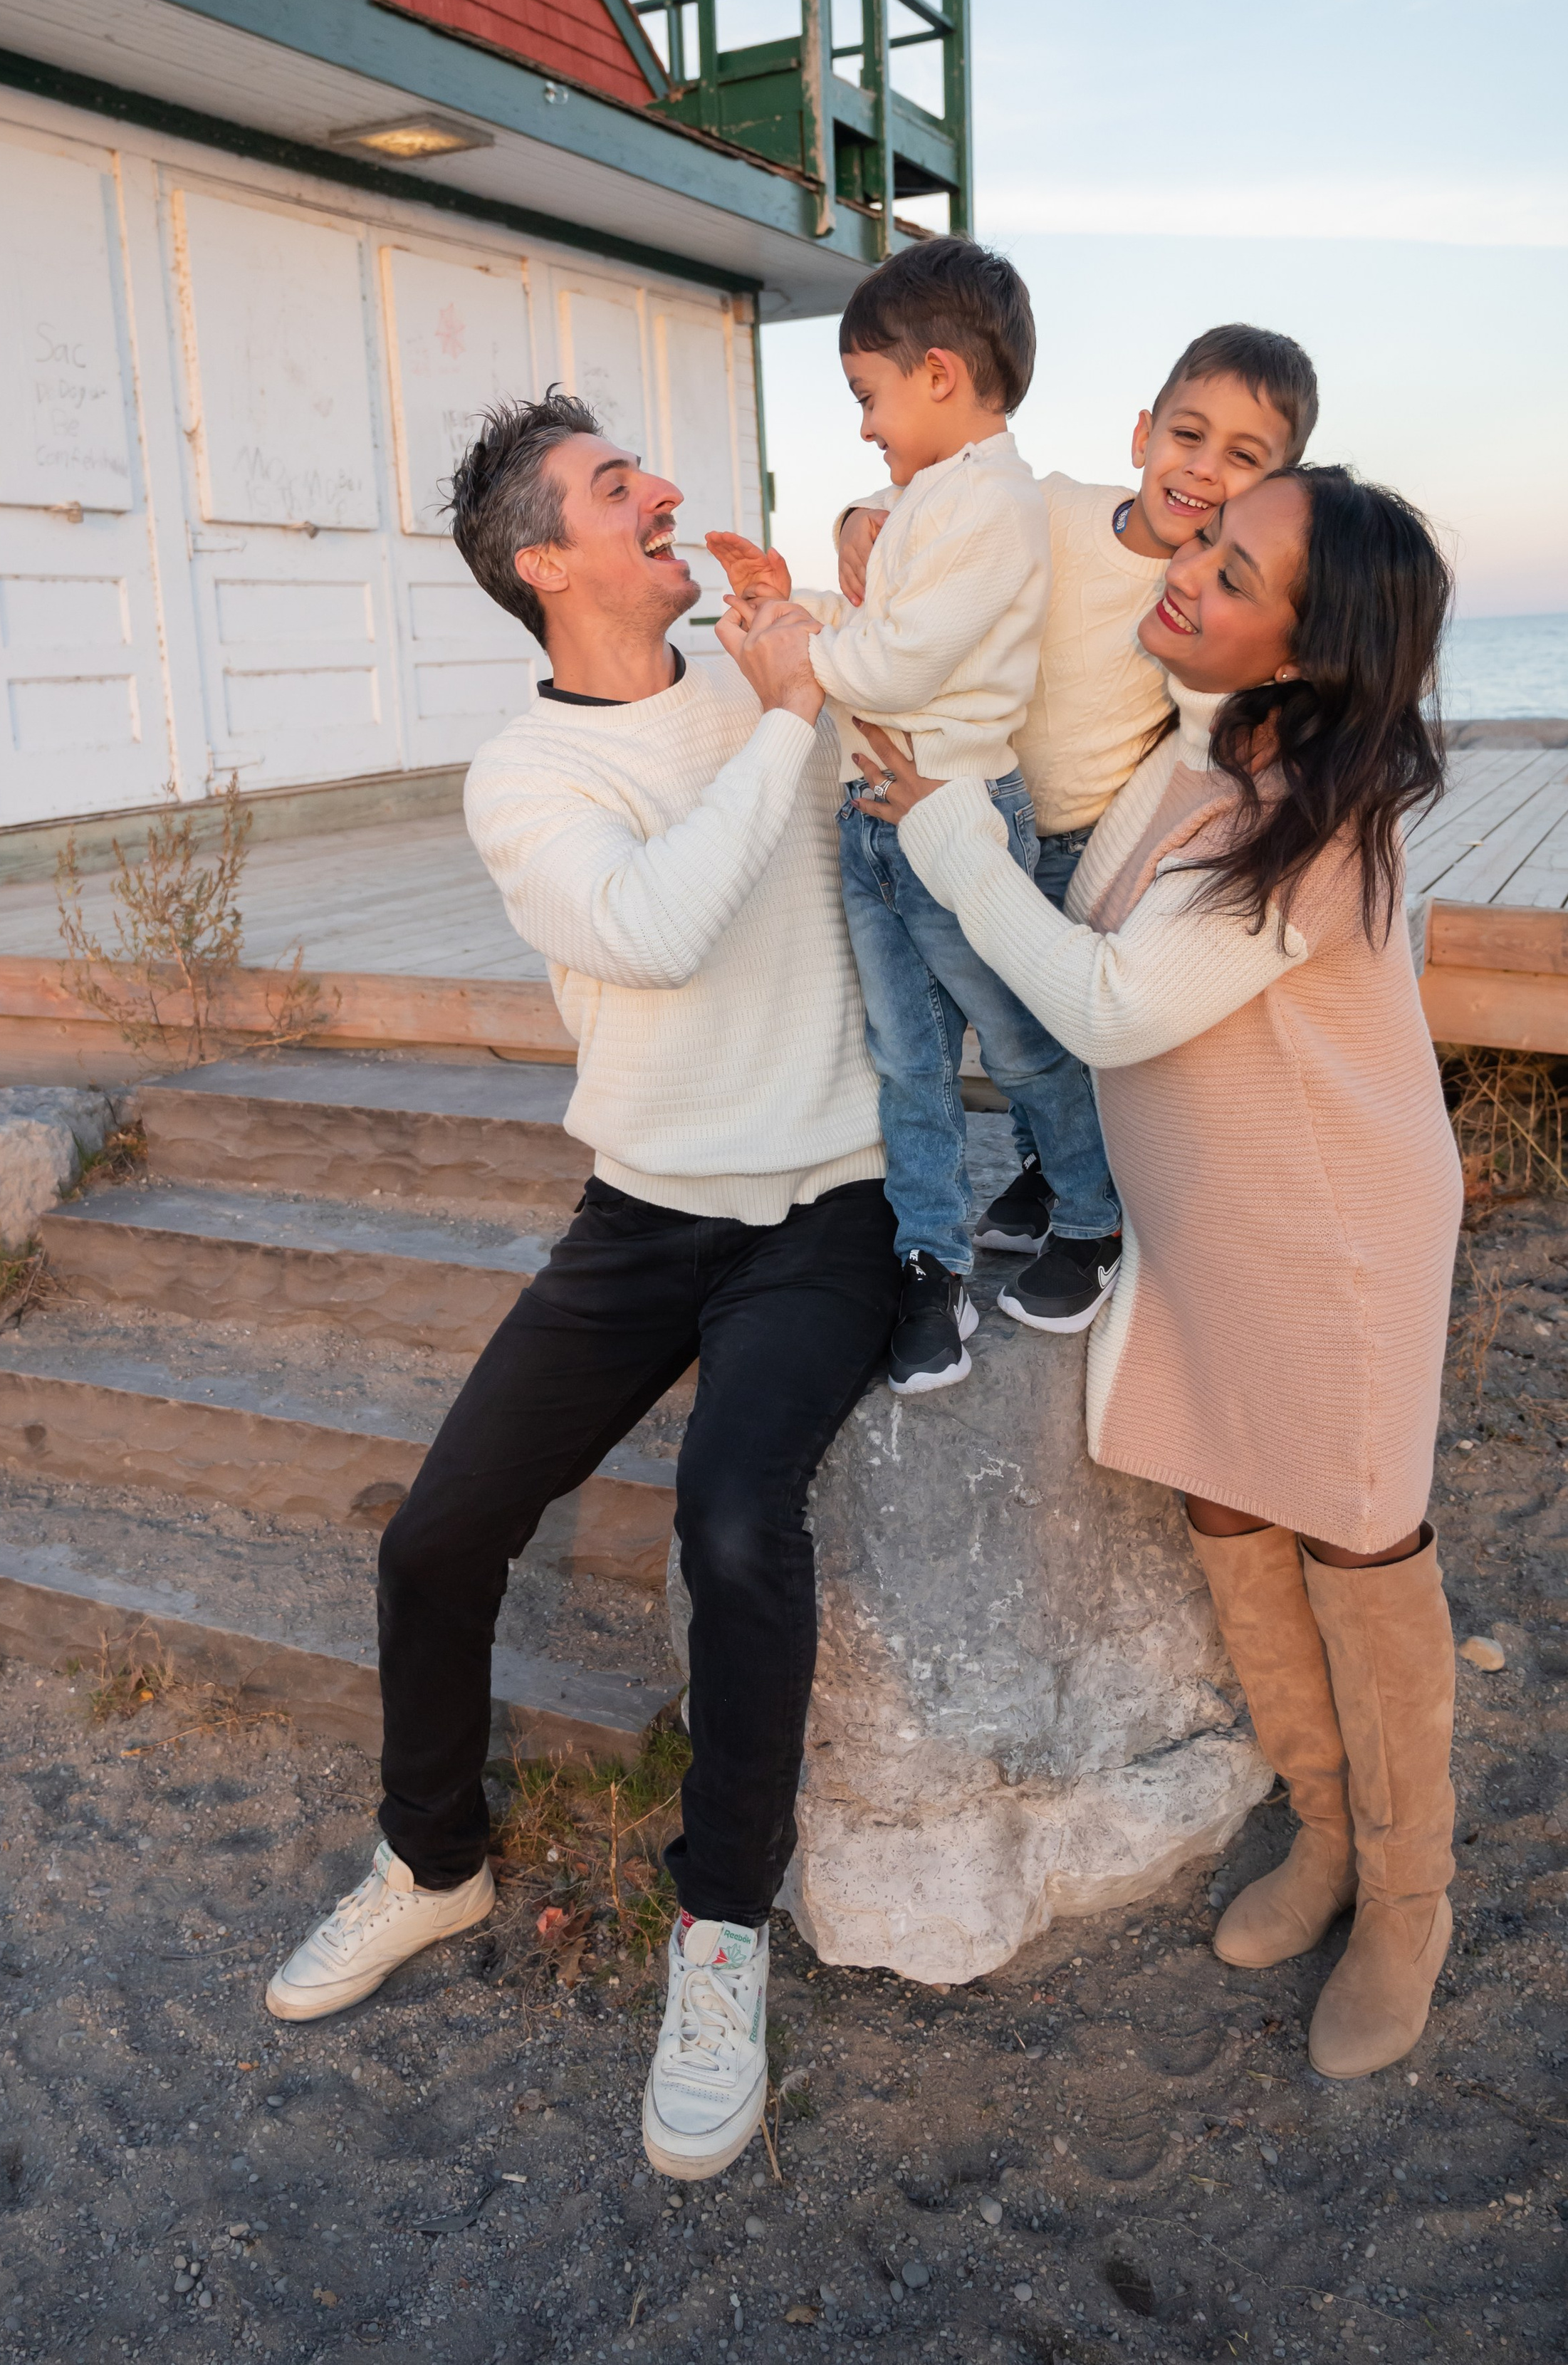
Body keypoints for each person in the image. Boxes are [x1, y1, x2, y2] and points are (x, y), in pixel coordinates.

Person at [264, 392, 899, 2183]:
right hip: (637, 1214)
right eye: (621, 487)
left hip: (817, 1203)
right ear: (545, 561)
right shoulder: (524, 776)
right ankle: (433, 1864)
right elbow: (648, 930)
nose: (669, 495)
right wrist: (784, 723)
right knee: (436, 1534)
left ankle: (717, 1935)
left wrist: (818, 674)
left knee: (732, 1521)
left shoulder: (773, 674)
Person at [840, 461, 1461, 2080]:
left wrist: (947, 838)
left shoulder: (1324, 832)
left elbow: (1107, 1002)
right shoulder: (1202, 755)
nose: (1182, 569)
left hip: (1328, 1240)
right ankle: (1319, 1831)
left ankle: (1406, 1897)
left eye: (1232, 569)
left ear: (1303, 652)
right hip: (1205, 1227)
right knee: (1223, 1506)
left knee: (1356, 1533)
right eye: (1205, 537)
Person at [706, 235, 1119, 1397]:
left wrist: (798, 650)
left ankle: (1090, 1217)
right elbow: (883, 624)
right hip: (872, 824)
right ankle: (930, 1258)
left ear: (939, 374)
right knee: (907, 1057)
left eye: (867, 396)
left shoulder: (989, 501)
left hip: (959, 822)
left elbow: (895, 662)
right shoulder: (921, 498)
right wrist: (795, 606)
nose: (863, 425)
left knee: (1022, 1038)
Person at [834, 323, 1319, 1298]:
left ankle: (1080, 1202)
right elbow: (930, 502)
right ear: (1143, 435)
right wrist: (859, 514)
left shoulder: (1204, 609)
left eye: (1243, 459)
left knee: (1036, 1035)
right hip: (977, 795)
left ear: (1272, 492)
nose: (1204, 470)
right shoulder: (1045, 509)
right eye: (1189, 436)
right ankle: (1042, 1172)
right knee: (985, 1034)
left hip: (1078, 837)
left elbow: (1216, 726)